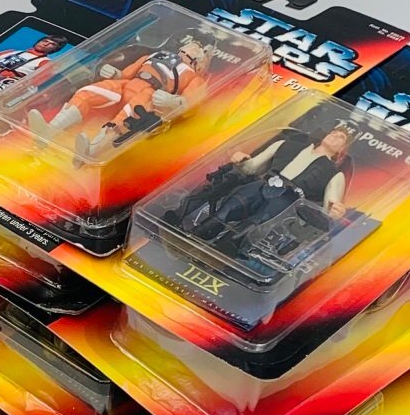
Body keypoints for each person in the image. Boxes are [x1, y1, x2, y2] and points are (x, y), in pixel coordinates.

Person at [164, 121, 358, 255]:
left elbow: (329, 207)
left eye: (340, 137)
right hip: (263, 184)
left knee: (252, 227)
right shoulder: (286, 144)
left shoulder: (334, 174)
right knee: (227, 209)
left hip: (287, 200)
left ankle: (219, 253)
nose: (334, 136)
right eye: (333, 132)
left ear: (342, 150)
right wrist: (241, 160)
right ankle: (192, 237)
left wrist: (336, 212)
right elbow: (252, 168)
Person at [26, 37, 213, 158]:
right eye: (188, 48)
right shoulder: (154, 56)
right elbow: (126, 74)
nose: (190, 50)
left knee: (128, 117)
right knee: (87, 92)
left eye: (196, 50)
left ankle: (93, 150)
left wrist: (172, 101)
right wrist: (114, 73)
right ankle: (50, 129)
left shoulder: (195, 79)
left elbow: (189, 105)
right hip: (126, 85)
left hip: (150, 95)